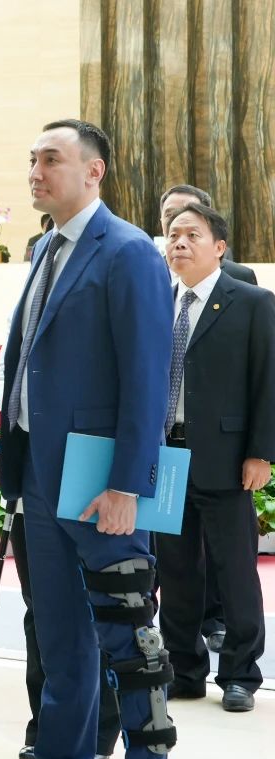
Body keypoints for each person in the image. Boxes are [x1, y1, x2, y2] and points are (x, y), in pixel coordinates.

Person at [0, 119, 174, 759]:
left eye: (51, 159)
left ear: (94, 171)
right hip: (43, 477)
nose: (36, 170)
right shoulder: (44, 251)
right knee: (60, 636)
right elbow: (33, 368)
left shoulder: (127, 251)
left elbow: (148, 378)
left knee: (129, 640)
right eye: (31, 159)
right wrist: (14, 455)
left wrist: (130, 484)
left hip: (103, 484)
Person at [155, 202, 272, 714]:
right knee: (176, 569)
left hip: (225, 458)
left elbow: (268, 382)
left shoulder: (251, 302)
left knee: (234, 571)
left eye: (192, 234)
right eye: (173, 235)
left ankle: (241, 674)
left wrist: (261, 453)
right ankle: (183, 670)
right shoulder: (157, 301)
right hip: (166, 456)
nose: (179, 243)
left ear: (219, 247)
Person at [0, 345, 120, 759]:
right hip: (32, 478)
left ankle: (98, 731)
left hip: (89, 477)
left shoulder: (97, 310)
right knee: (40, 612)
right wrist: (13, 455)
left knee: (98, 610)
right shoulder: (25, 309)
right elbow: (9, 386)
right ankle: (47, 727)